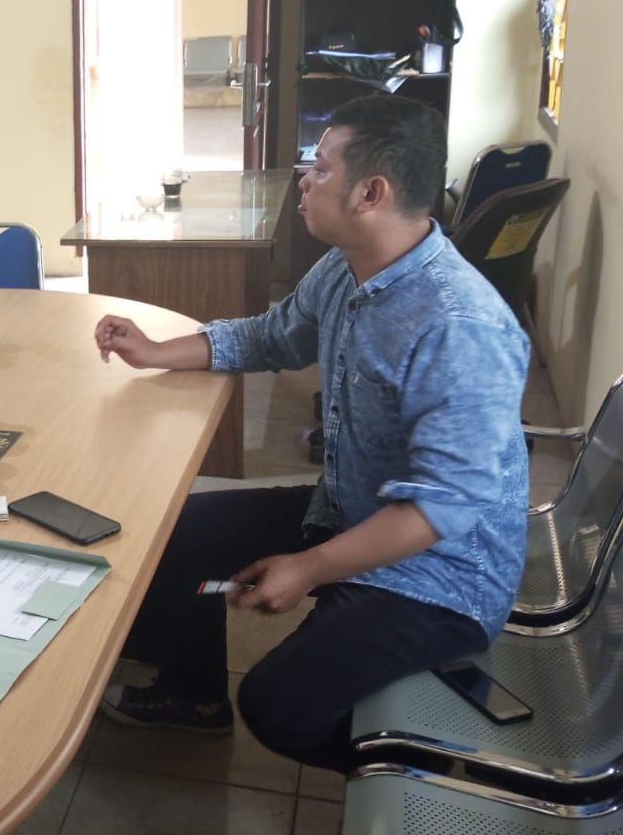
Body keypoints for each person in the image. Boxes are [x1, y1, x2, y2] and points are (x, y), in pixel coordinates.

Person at [92, 95, 529, 772]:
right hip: (354, 508)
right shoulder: (348, 266)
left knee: (278, 705)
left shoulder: (459, 325)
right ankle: (192, 697)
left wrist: (310, 567)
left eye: (321, 167)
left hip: (440, 575)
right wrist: (153, 351)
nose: (304, 177)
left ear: (371, 193)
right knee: (175, 535)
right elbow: (271, 336)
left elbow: (439, 508)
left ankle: (429, 776)